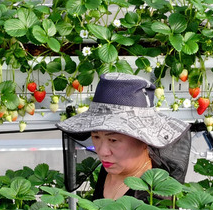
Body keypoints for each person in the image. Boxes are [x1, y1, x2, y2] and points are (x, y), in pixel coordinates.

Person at [57, 73, 192, 201]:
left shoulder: (154, 195)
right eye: (96, 137)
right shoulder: (112, 169)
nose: (102, 152)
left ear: (144, 140)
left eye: (113, 140)